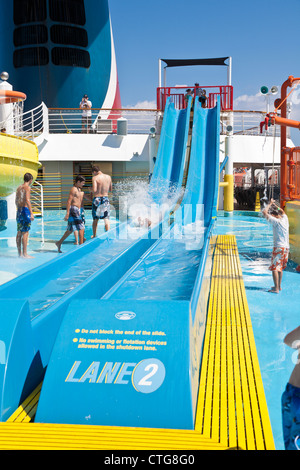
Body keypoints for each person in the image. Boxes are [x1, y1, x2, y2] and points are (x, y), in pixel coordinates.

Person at [262, 198, 289, 293]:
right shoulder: (285, 219)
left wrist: (269, 204)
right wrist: (275, 206)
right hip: (286, 248)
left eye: (272, 215)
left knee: (274, 268)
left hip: (278, 247)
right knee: (280, 267)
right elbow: (281, 211)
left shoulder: (276, 222)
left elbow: (264, 212)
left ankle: (276, 288)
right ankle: (278, 286)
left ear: (273, 215)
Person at [55, 175, 86, 253]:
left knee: (70, 230)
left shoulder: (79, 190)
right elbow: (69, 201)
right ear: (78, 182)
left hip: (77, 210)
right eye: (82, 183)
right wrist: (67, 213)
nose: (83, 185)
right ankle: (81, 247)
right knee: (81, 228)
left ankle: (59, 243)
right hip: (73, 209)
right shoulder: (73, 189)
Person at [282, 326, 300, 450]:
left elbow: (289, 341)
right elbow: (289, 340)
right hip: (291, 394)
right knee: (290, 444)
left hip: (293, 396)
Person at [15, 173, 34, 258]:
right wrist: (31, 213)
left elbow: (16, 200)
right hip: (25, 211)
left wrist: (19, 208)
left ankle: (20, 254)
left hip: (19, 210)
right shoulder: (28, 187)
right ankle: (25, 254)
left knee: (19, 232)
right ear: (30, 180)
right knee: (25, 232)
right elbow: (27, 200)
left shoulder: (19, 188)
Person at [91, 165, 112, 237]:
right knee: (106, 218)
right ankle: (108, 234)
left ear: (94, 172)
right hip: (105, 198)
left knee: (95, 218)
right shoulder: (108, 177)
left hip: (97, 199)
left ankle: (94, 235)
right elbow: (111, 189)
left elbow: (94, 190)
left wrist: (90, 190)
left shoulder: (95, 178)